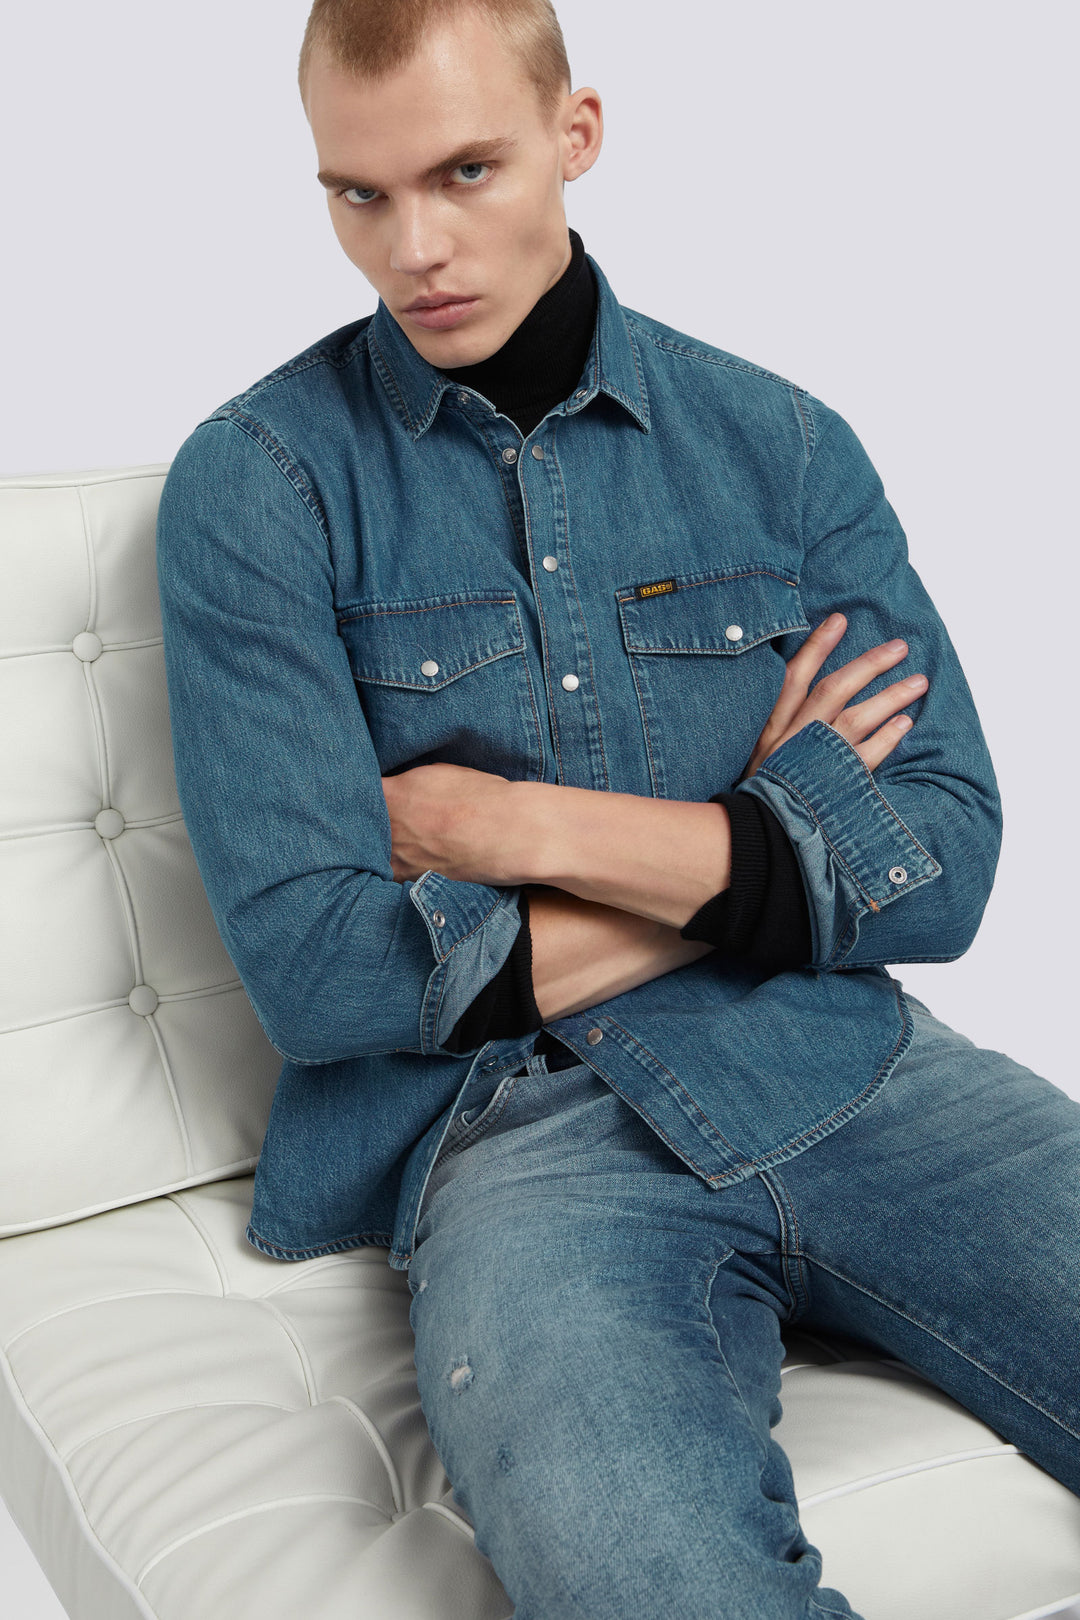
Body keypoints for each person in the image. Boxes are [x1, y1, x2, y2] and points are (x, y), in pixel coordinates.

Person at [154, 1, 1080, 1614]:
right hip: (514, 1145)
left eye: (465, 171)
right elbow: (323, 975)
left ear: (575, 136)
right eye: (359, 193)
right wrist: (770, 841)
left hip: (851, 1066)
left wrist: (508, 831)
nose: (413, 249)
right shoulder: (260, 486)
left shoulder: (782, 444)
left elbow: (948, 862)